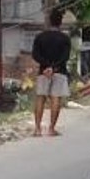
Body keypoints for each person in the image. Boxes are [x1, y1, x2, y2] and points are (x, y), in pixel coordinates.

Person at [31, 7, 71, 136]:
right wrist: (53, 68)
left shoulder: (40, 37)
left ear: (49, 21)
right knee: (55, 99)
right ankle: (51, 129)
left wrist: (47, 66)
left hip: (43, 72)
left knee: (40, 98)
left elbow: (35, 55)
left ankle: (37, 129)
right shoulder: (65, 38)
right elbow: (65, 57)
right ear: (60, 22)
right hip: (59, 72)